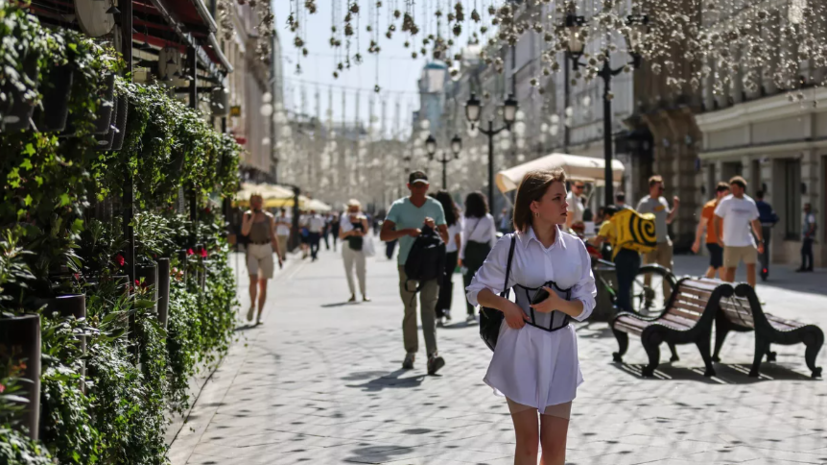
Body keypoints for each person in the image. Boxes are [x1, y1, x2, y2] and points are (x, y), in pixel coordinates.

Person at [467, 169, 596, 465]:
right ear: (534, 205)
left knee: (554, 448)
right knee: (527, 444)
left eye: (565, 197)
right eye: (558, 198)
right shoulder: (510, 246)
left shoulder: (576, 248)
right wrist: (506, 306)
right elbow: (476, 290)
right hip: (521, 346)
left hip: (562, 349)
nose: (567, 204)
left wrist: (560, 305)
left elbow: (586, 305)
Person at [380, 170, 449, 375]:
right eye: (416, 185)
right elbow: (384, 234)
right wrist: (406, 231)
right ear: (409, 187)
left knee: (428, 308)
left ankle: (432, 356)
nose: (419, 189)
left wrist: (434, 228)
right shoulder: (399, 206)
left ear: (428, 187)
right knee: (410, 309)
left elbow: (445, 237)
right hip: (407, 264)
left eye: (423, 185)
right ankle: (410, 352)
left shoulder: (435, 206)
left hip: (430, 264)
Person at [714, 176, 764, 287]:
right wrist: (718, 237)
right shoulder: (726, 202)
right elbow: (716, 219)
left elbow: (755, 222)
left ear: (742, 189)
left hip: (747, 241)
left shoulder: (750, 203)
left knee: (751, 266)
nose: (732, 191)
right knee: (730, 269)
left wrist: (760, 240)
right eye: (731, 188)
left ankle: (752, 293)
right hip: (731, 243)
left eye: (735, 188)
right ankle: (728, 295)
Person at [240, 194, 283, 325]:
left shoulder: (268, 217)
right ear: (250, 203)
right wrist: (252, 217)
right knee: (253, 279)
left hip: (266, 249)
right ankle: (253, 305)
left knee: (263, 284)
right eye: (254, 201)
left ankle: (259, 314)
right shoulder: (246, 215)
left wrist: (279, 255)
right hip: (252, 248)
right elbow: (244, 232)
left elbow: (273, 235)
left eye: (259, 201)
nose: (256, 204)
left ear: (262, 202)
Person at [590, 205, 639, 313]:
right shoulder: (623, 223)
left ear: (607, 215)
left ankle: (625, 312)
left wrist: (587, 242)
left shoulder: (608, 223)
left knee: (623, 285)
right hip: (635, 253)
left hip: (622, 255)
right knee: (626, 285)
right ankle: (624, 308)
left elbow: (597, 242)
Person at [636, 175, 679, 296]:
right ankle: (647, 298)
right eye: (659, 188)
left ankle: (667, 299)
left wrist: (675, 207)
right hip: (650, 244)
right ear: (651, 188)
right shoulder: (644, 203)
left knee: (666, 272)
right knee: (648, 272)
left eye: (663, 188)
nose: (661, 191)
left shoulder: (663, 201)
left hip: (664, 242)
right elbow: (637, 222)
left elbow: (668, 220)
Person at [460, 191, 497, 324]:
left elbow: (463, 239)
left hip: (470, 250)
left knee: (468, 281)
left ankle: (470, 311)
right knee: (486, 281)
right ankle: (487, 307)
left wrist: (461, 255)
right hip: (484, 250)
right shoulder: (488, 218)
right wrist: (495, 256)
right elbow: (493, 238)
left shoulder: (466, 219)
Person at [434, 190, 462, 327]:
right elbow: (457, 238)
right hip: (451, 253)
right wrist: (460, 254)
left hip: (436, 252)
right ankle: (447, 308)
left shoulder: (434, 215)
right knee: (448, 281)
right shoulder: (454, 216)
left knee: (438, 281)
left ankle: (438, 312)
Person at [691, 182, 730, 279]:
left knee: (715, 266)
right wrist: (697, 241)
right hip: (713, 241)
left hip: (724, 241)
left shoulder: (728, 207)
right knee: (721, 266)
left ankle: (704, 284)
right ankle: (724, 289)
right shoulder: (709, 207)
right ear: (719, 193)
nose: (727, 197)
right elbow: (701, 225)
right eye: (725, 194)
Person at [340, 200, 370, 302]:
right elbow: (341, 235)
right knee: (348, 270)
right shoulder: (344, 219)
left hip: (358, 245)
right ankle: (352, 293)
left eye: (356, 209)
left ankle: (363, 293)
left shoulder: (363, 219)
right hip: (347, 245)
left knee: (361, 270)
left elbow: (366, 233)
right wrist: (350, 232)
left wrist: (359, 233)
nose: (353, 211)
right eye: (352, 209)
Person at [755, 191, 779, 274]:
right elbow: (775, 217)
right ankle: (765, 267)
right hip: (767, 227)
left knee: (759, 246)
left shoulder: (755, 206)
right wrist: (772, 224)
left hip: (758, 227)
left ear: (756, 197)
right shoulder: (768, 206)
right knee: (766, 246)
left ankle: (762, 266)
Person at [798, 203, 817, 272]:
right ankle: (810, 267)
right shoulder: (807, 216)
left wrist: (808, 234)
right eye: (805, 208)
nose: (805, 210)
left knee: (803, 251)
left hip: (809, 236)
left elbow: (812, 226)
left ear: (809, 209)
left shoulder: (810, 216)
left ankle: (803, 266)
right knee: (809, 251)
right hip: (808, 236)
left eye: (806, 208)